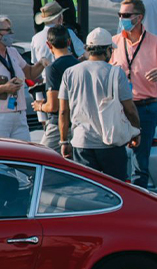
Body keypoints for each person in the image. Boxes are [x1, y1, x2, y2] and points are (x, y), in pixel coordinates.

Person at [111, 0, 157, 188]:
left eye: (125, 15)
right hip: (120, 107)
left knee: (140, 161)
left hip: (145, 107)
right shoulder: (115, 42)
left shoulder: (156, 43)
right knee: (117, 157)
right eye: (119, 14)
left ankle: (138, 200)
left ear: (139, 18)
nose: (121, 18)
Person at [59, 28, 141, 181]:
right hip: (110, 141)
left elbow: (63, 111)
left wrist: (64, 141)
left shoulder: (70, 73)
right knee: (118, 189)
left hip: (81, 142)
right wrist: (136, 131)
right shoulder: (116, 73)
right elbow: (129, 108)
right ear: (108, 50)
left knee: (88, 190)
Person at [0, 13, 48, 140]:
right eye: (8, 30)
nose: (11, 33)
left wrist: (42, 63)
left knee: (24, 156)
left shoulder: (12, 52)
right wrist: (4, 88)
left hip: (18, 115)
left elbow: (29, 73)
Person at [31, 25, 79, 151]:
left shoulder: (53, 68)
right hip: (77, 123)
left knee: (41, 157)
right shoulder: (79, 65)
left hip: (58, 124)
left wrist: (40, 106)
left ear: (48, 45)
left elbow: (54, 106)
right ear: (69, 42)